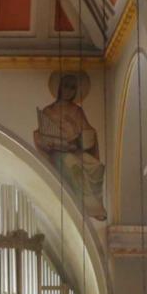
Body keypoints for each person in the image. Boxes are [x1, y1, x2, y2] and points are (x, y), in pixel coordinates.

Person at [33, 70, 106, 219]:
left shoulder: (77, 111)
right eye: (66, 86)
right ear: (60, 88)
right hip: (58, 154)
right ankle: (78, 205)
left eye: (72, 87)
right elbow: (42, 135)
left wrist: (76, 133)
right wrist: (53, 142)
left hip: (74, 149)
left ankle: (92, 205)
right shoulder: (49, 111)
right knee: (72, 164)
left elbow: (88, 133)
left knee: (97, 167)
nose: (68, 90)